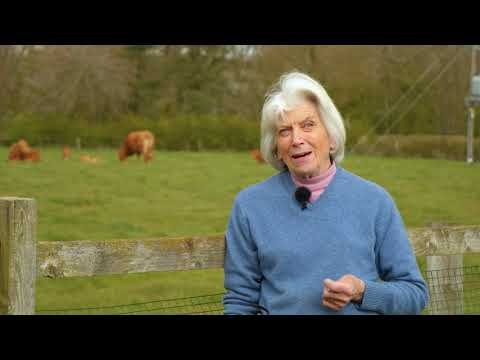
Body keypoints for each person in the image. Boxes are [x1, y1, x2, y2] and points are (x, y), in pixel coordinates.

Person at [223, 71, 429, 315]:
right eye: (284, 131)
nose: (297, 139)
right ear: (276, 148)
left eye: (308, 125)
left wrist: (362, 291)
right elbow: (240, 302)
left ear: (331, 137)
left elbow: (415, 294)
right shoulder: (250, 206)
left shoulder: (374, 202)